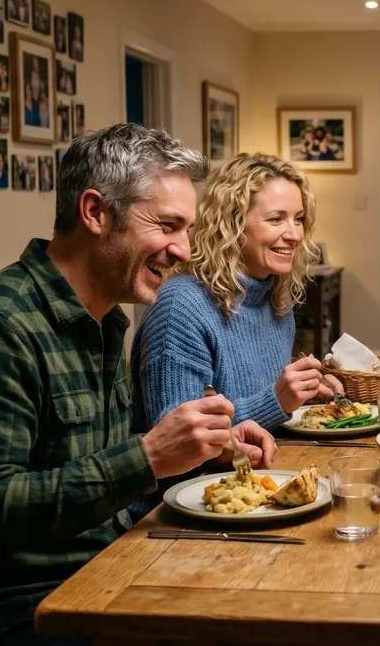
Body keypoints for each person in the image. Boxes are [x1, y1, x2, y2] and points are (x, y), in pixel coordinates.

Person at [0, 124, 275, 646]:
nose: (185, 250)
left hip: (100, 567)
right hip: (6, 609)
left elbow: (89, 463)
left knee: (264, 592)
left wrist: (204, 447)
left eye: (187, 229)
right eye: (168, 225)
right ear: (95, 212)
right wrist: (147, 457)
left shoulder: (105, 321)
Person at [131, 152, 340, 519]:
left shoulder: (275, 297)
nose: (293, 234)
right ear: (231, 224)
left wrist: (309, 396)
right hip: (180, 516)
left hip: (258, 492)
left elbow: (246, 396)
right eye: (276, 219)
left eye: (299, 219)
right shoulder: (181, 307)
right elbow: (179, 444)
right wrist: (275, 399)